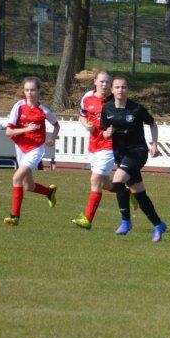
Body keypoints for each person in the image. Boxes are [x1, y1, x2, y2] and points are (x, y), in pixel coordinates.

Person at [99, 75, 168, 242]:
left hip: (138, 152)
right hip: (121, 155)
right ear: (112, 90)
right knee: (139, 193)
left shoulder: (136, 108)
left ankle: (126, 222)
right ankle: (158, 224)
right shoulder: (107, 109)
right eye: (117, 87)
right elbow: (104, 130)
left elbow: (152, 123)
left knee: (117, 182)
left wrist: (154, 144)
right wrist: (106, 133)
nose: (120, 90)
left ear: (127, 90)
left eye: (123, 87)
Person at [3, 77, 60, 226]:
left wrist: (52, 139)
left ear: (39, 91)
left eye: (33, 90)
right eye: (27, 90)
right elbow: (9, 132)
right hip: (20, 147)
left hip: (36, 149)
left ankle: (14, 216)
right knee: (29, 186)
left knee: (16, 178)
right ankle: (49, 192)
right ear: (24, 91)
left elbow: (56, 126)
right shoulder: (19, 107)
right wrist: (26, 129)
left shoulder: (44, 111)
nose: (29, 93)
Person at [71, 70, 113, 229]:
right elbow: (82, 115)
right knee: (105, 183)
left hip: (109, 146)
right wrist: (85, 124)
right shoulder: (87, 97)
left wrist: (112, 131)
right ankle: (131, 194)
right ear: (95, 82)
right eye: (102, 81)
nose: (105, 85)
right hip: (93, 146)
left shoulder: (115, 100)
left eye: (107, 82)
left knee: (95, 179)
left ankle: (87, 219)